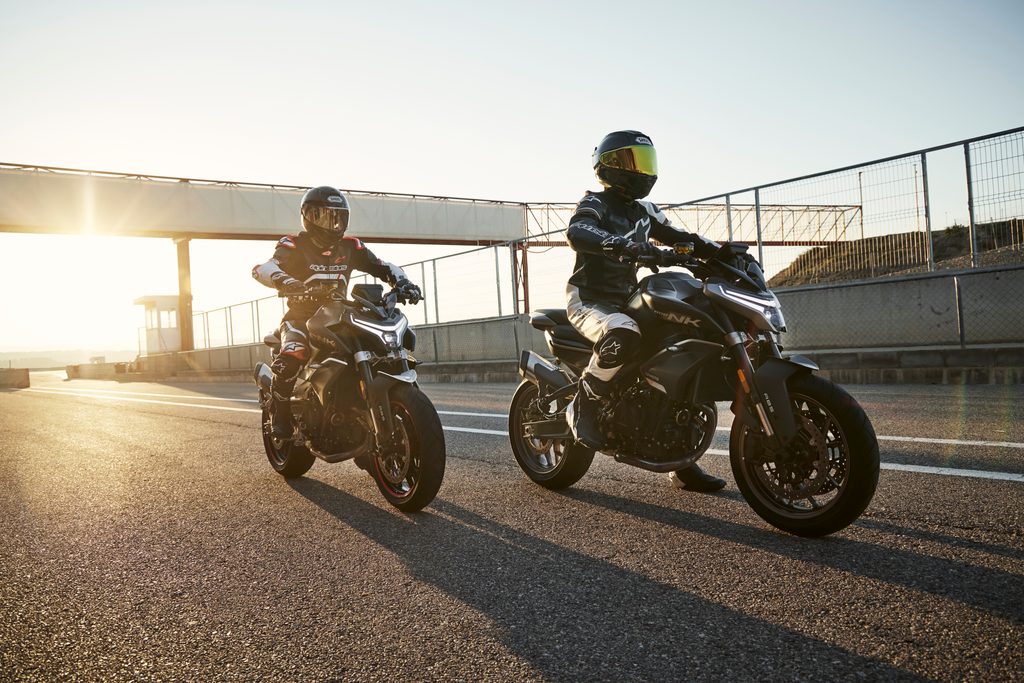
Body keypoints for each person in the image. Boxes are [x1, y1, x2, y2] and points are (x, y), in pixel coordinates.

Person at [564, 130, 726, 493]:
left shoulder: (646, 212)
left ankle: (681, 461)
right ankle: (585, 400)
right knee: (623, 332)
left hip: (627, 299)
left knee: (681, 349)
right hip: (590, 300)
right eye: (632, 161)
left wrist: (724, 252)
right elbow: (579, 231)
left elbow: (684, 239)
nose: (642, 170)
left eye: (646, 161)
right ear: (609, 165)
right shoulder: (595, 203)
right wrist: (618, 244)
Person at [252, 185, 421, 439]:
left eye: (338, 217)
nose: (333, 223)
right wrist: (287, 282)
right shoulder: (294, 244)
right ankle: (280, 413)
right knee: (294, 353)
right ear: (308, 216)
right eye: (324, 216)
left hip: (339, 316)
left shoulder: (351, 246)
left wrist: (403, 283)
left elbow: (383, 266)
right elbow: (263, 268)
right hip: (301, 318)